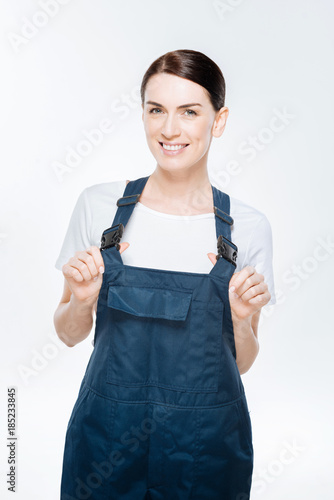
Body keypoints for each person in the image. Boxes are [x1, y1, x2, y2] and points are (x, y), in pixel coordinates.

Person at [54, 49, 276, 500]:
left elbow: (245, 361)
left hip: (205, 449)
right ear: (143, 114)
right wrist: (80, 299)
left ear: (219, 120)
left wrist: (239, 317)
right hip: (105, 446)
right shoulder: (98, 208)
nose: (169, 129)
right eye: (156, 110)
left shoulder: (249, 229)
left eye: (189, 112)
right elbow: (67, 333)